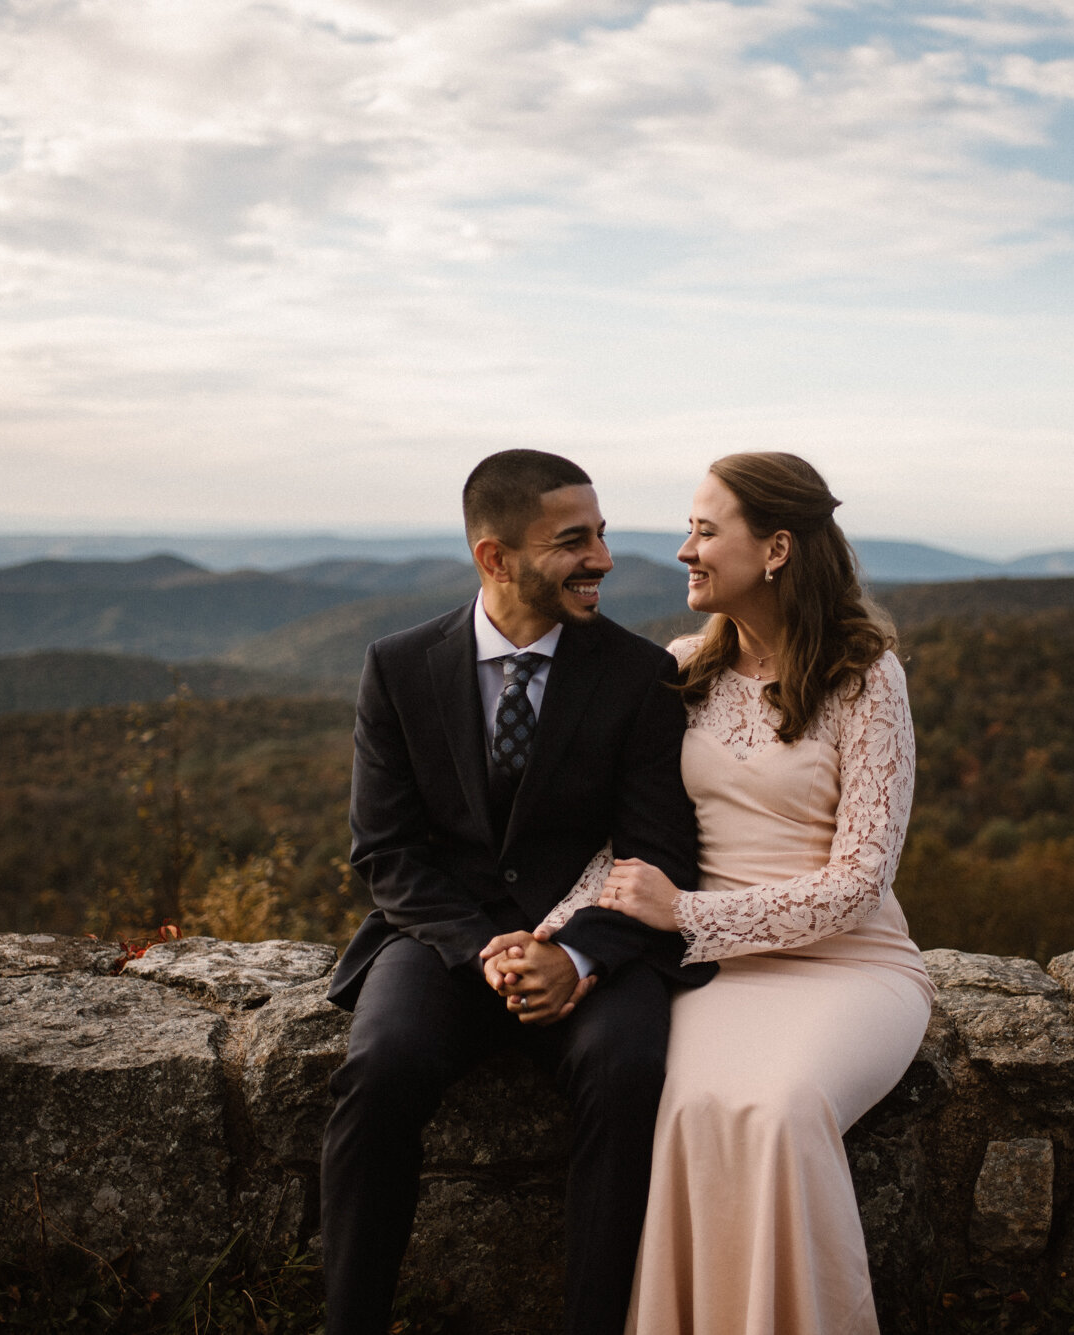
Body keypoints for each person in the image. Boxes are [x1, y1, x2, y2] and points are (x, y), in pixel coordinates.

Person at [531, 451, 932, 1334]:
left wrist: (686, 913)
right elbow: (622, 847)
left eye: (706, 530)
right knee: (689, 1108)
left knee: (784, 1109)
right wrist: (552, 939)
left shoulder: (867, 679)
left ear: (778, 547)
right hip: (716, 974)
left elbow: (861, 883)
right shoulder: (680, 668)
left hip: (848, 964)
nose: (684, 549)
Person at [319, 449, 715, 1335]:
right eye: (574, 541)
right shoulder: (398, 665)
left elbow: (658, 850)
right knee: (376, 1072)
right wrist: (485, 950)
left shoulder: (638, 673)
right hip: (441, 944)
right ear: (495, 558)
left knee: (630, 1070)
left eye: (601, 535)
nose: (604, 559)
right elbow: (384, 851)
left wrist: (573, 955)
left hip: (594, 944)